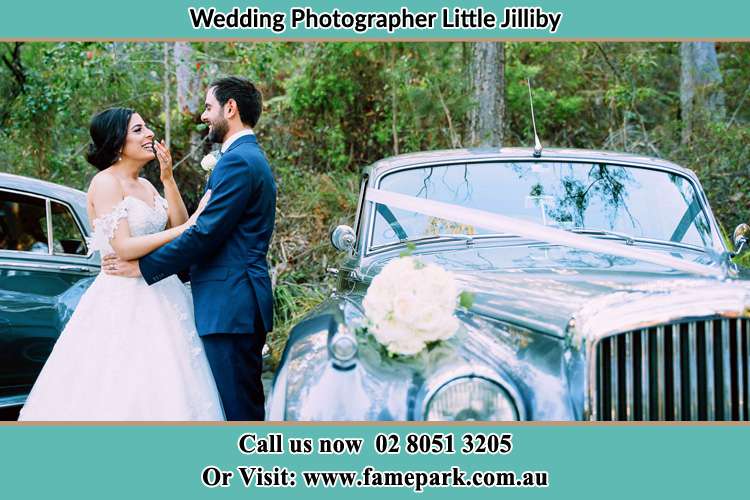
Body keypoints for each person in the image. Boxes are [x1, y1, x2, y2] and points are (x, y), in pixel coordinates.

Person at [18, 107, 223, 421]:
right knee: (120, 382)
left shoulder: (147, 185)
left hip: (163, 293)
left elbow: (180, 226)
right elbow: (124, 247)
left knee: (171, 379)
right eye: (138, 130)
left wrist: (168, 180)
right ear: (117, 143)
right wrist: (185, 228)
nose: (150, 134)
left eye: (146, 127)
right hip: (124, 296)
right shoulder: (105, 183)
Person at [103, 77, 276, 421]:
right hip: (229, 303)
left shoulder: (238, 162)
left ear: (231, 108)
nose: (203, 116)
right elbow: (201, 230)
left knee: (238, 412)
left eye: (209, 107)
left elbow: (204, 233)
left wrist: (143, 268)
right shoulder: (242, 158)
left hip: (230, 305)